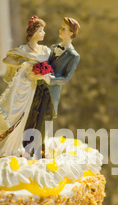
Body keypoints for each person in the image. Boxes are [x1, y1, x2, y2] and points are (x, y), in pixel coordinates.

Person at [0, 16, 51, 157]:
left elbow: (49, 69)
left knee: (25, 115)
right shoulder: (23, 49)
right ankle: (1, 146)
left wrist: (41, 73)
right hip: (21, 86)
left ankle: (15, 146)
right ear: (33, 33)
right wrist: (25, 61)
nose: (43, 33)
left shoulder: (44, 50)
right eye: (40, 30)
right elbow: (7, 59)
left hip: (33, 88)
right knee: (14, 115)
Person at [23, 17, 81, 157]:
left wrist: (50, 78)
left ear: (71, 33)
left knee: (43, 119)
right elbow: (45, 63)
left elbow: (66, 78)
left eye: (63, 29)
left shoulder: (73, 56)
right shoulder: (53, 48)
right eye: (61, 27)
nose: (60, 31)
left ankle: (37, 150)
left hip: (51, 92)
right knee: (31, 115)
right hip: (38, 87)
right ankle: (24, 145)